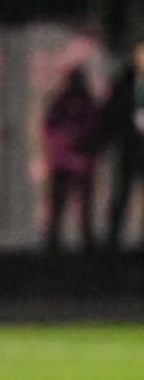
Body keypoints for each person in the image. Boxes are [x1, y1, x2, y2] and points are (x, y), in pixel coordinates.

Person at [41, 66, 102, 253]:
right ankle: (64, 238)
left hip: (71, 162)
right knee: (74, 203)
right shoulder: (82, 103)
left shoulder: (66, 103)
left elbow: (50, 127)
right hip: (74, 162)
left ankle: (60, 238)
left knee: (74, 204)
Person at [103, 36, 144, 252]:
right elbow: (112, 115)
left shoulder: (123, 83)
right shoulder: (124, 83)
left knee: (125, 194)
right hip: (129, 148)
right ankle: (113, 240)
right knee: (122, 195)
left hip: (134, 147)